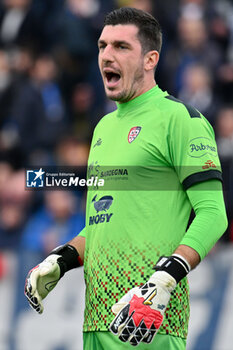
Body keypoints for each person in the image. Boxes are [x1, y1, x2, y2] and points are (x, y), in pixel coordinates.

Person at [24, 7, 228, 350]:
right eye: (102, 46)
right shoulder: (103, 127)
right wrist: (62, 259)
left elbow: (214, 214)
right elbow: (104, 222)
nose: (106, 55)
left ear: (150, 60)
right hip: (97, 321)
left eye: (121, 47)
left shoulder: (180, 119)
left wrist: (165, 279)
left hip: (149, 324)